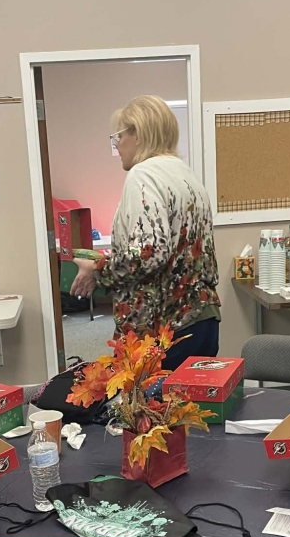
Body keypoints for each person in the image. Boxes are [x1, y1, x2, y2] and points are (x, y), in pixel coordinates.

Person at [70, 95, 221, 370]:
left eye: (119, 136)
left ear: (137, 134)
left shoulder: (143, 175)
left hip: (165, 331)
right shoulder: (186, 175)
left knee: (155, 400)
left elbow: (150, 254)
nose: (118, 145)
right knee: (194, 396)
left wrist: (97, 270)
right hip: (202, 320)